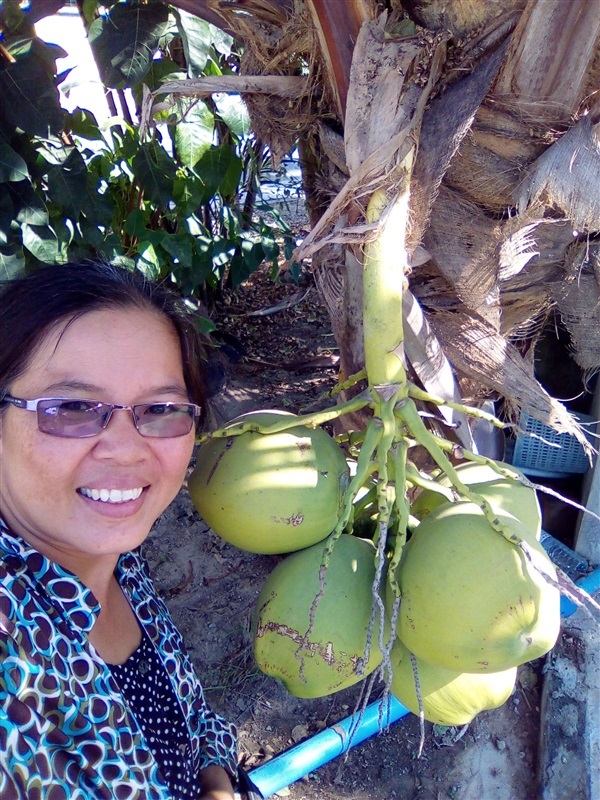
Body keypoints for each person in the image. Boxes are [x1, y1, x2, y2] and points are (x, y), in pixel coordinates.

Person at [0, 261, 240, 799]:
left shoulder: (113, 557)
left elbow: (193, 720)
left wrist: (217, 781)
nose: (129, 450)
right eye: (72, 408)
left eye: (160, 409)